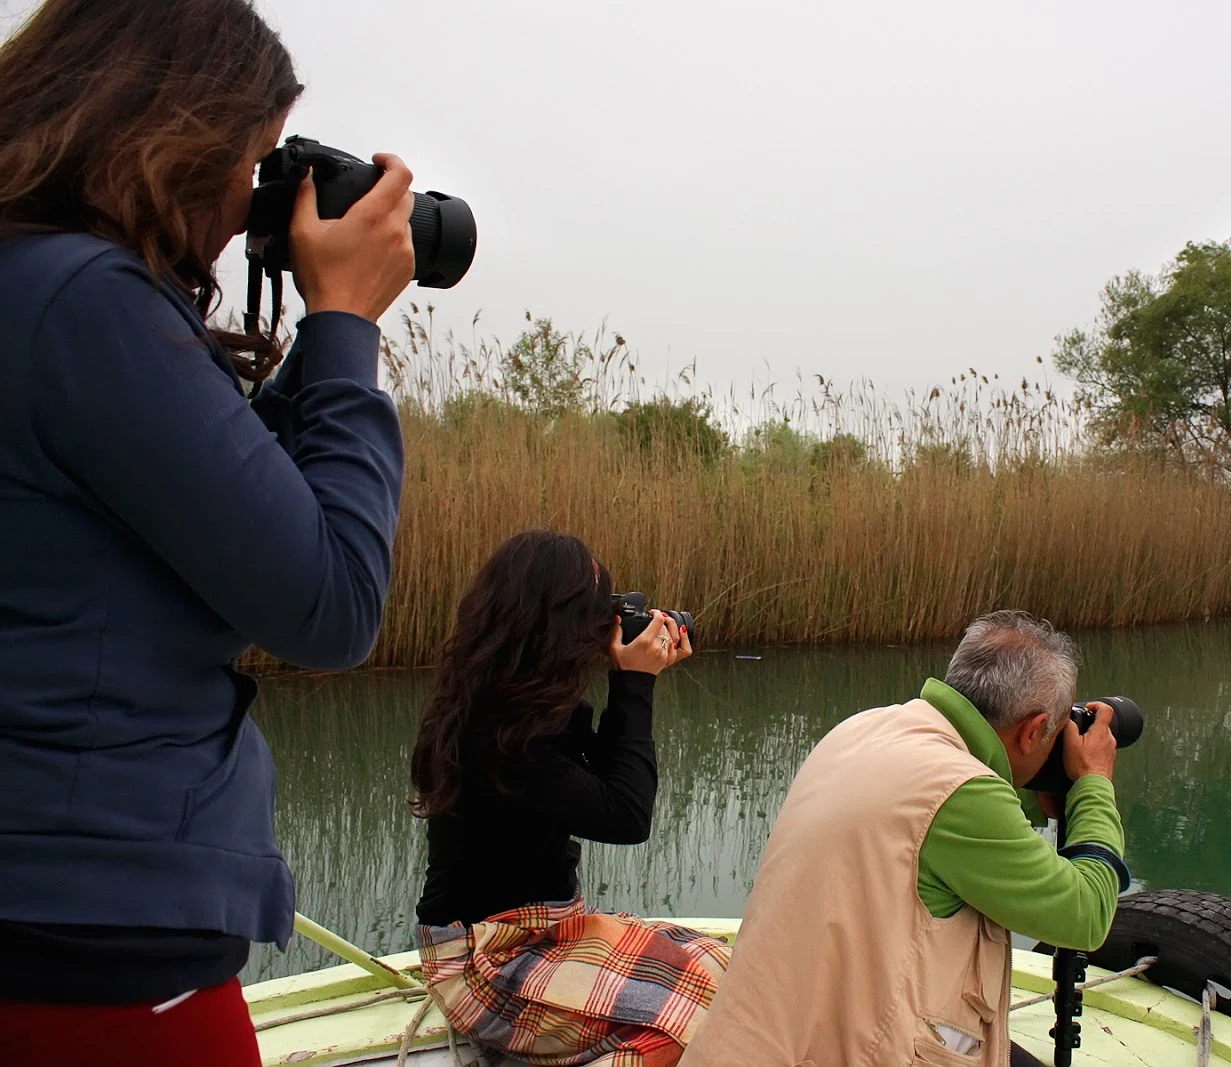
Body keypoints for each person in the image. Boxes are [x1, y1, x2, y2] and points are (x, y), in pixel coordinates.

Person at [0, 1, 417, 1064]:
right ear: (175, 131)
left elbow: (217, 514)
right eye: (259, 160)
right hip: (95, 939)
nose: (254, 203)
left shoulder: (31, 283)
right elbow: (329, 599)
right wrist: (345, 326)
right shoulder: (85, 299)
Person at [680, 610, 1128, 1067]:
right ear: (1034, 731)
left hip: (758, 1039)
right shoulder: (963, 795)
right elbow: (1087, 916)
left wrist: (1044, 790)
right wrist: (1094, 783)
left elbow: (935, 817)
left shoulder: (865, 728)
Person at [410, 530, 728, 1066]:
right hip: (485, 957)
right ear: (559, 620)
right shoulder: (497, 731)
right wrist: (636, 684)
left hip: (549, 927)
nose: (609, 619)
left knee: (729, 974)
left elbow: (608, 781)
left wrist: (629, 675)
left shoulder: (515, 697)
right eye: (599, 606)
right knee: (686, 1025)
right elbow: (627, 816)